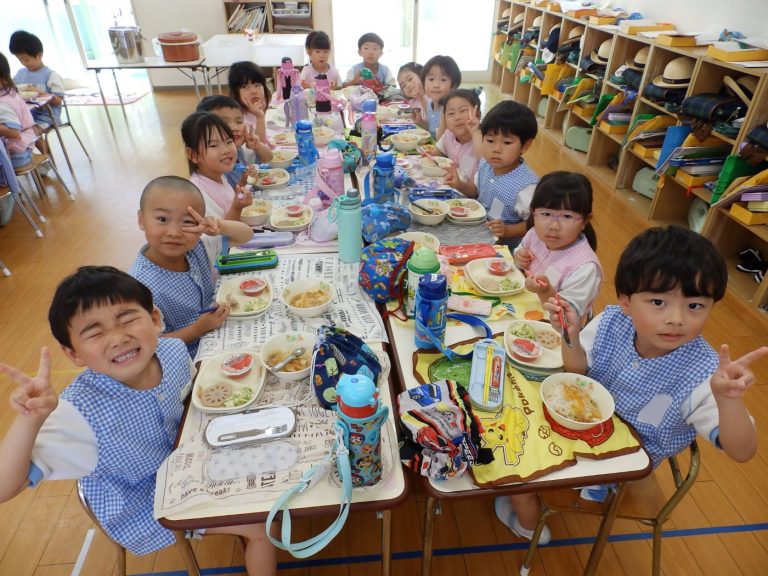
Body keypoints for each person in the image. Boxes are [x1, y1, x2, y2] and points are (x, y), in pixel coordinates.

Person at [497, 225, 768, 545]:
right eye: (658, 302)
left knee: (513, 458)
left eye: (695, 305)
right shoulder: (613, 321)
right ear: (626, 301)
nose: (676, 318)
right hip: (578, 424)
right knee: (509, 412)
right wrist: (570, 334)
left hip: (620, 461)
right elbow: (577, 369)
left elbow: (742, 450)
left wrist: (729, 400)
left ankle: (529, 525)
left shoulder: (705, 374)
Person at [0, 266, 277, 576]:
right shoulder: (76, 414)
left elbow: (190, 402)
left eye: (128, 318)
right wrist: (29, 422)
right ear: (74, 354)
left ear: (155, 319)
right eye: (94, 332)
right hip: (143, 506)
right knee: (261, 523)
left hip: (187, 464)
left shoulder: (172, 351)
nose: (118, 338)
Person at [129, 176, 252, 357]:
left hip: (219, 333)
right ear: (141, 219)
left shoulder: (197, 247)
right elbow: (151, 344)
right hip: (188, 358)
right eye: (162, 219)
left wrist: (219, 225)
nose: (174, 232)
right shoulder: (139, 287)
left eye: (187, 221)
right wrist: (198, 328)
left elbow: (246, 236)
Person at [513, 172, 602, 320]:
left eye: (567, 216)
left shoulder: (585, 268)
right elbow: (519, 254)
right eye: (546, 214)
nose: (554, 226)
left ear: (585, 221)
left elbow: (567, 316)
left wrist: (545, 291)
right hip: (524, 307)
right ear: (533, 213)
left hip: (555, 329)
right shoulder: (535, 234)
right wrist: (519, 257)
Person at [462, 100, 539, 249]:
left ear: (525, 145)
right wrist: (458, 184)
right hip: (479, 235)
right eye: (490, 140)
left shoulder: (527, 186)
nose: (496, 149)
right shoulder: (486, 164)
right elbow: (476, 190)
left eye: (507, 143)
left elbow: (536, 222)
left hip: (505, 252)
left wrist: (509, 230)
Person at [181, 111, 254, 263]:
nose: (226, 150)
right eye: (214, 145)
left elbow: (225, 201)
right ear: (193, 155)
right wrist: (237, 207)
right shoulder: (198, 194)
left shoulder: (218, 175)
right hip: (224, 263)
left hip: (240, 242)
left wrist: (242, 184)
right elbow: (222, 239)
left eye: (228, 141)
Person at [196, 95, 272, 188]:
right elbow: (227, 199)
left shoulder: (237, 149)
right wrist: (243, 183)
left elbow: (268, 158)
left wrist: (258, 146)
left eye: (239, 122)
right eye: (224, 123)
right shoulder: (216, 161)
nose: (235, 128)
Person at [8, 30, 64, 134]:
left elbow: (58, 101)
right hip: (27, 116)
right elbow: (12, 89)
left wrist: (39, 92)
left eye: (26, 59)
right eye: (20, 60)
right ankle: (44, 151)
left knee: (27, 133)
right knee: (11, 131)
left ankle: (43, 151)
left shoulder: (51, 75)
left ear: (39, 55)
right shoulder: (20, 73)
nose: (24, 63)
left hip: (47, 118)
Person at [437, 88, 482, 192]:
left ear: (478, 115)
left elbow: (475, 191)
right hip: (450, 187)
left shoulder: (482, 142)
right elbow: (438, 151)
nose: (457, 117)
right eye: (451, 114)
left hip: (470, 196)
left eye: (463, 111)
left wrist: (475, 132)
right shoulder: (449, 134)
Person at [228, 61, 271, 145]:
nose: (253, 91)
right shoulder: (239, 120)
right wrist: (260, 118)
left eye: (257, 85)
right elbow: (260, 146)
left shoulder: (258, 105)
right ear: (235, 92)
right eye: (245, 87)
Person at [421, 55, 461, 140]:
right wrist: (419, 122)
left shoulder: (450, 111)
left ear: (453, 85)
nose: (436, 85)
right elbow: (432, 131)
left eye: (443, 80)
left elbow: (442, 141)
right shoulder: (431, 104)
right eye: (431, 79)